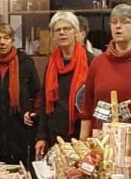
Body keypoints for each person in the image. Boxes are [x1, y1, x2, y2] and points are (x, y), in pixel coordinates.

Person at [79, 4, 131, 139]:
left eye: (124, 22)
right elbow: (87, 109)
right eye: (114, 22)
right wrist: (82, 144)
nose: (118, 26)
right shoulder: (98, 62)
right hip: (102, 144)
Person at [35, 11, 94, 158]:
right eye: (57, 30)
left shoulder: (91, 61)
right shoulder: (51, 63)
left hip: (82, 132)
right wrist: (41, 136)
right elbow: (44, 102)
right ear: (53, 35)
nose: (62, 33)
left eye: (66, 28)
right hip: (55, 132)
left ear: (76, 32)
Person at [0, 22, 41, 167]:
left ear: (12, 40)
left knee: (20, 174)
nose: (2, 42)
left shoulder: (25, 63)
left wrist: (33, 113)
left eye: (6, 38)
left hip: (19, 128)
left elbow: (38, 93)